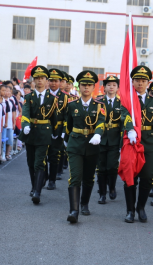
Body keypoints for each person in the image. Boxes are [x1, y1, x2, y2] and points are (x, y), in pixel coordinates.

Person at [121, 66, 153, 223]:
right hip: (132, 142)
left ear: (148, 83)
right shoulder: (127, 100)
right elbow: (123, 115)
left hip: (149, 144)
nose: (140, 83)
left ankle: (141, 207)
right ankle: (130, 210)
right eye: (137, 80)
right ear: (132, 82)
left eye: (143, 81)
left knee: (147, 178)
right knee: (130, 178)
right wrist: (130, 129)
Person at [64, 70, 106, 223]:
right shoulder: (72, 105)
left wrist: (98, 134)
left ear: (94, 87)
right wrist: (66, 139)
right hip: (75, 145)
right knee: (75, 177)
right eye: (83, 85)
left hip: (92, 145)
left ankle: (84, 203)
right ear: (79, 86)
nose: (86, 88)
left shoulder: (100, 105)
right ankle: (73, 211)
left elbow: (102, 122)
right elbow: (68, 124)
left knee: (88, 177)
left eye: (89, 85)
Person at [18, 66, 59, 204]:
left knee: (39, 161)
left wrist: (56, 133)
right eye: (37, 78)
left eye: (42, 78)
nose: (40, 81)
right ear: (33, 80)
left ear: (46, 80)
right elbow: (25, 113)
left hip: (44, 132)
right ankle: (34, 185)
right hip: (30, 132)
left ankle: (37, 191)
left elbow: (54, 117)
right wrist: (26, 126)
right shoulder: (29, 97)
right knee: (30, 161)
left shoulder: (53, 98)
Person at [96, 75, 122, 204]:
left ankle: (111, 187)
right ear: (104, 87)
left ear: (117, 88)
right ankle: (102, 193)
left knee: (112, 166)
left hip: (114, 138)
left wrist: (123, 141)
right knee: (101, 167)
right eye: (109, 85)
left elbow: (123, 122)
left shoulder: (121, 102)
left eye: (114, 85)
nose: (111, 87)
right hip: (100, 138)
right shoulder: (99, 101)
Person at [45, 68, 68, 190]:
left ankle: (52, 180)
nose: (53, 83)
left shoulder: (64, 97)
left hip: (58, 130)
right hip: (44, 128)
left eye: (56, 81)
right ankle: (44, 176)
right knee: (43, 155)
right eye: (51, 81)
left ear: (60, 82)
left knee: (54, 156)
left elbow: (66, 116)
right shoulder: (44, 94)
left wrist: (64, 131)